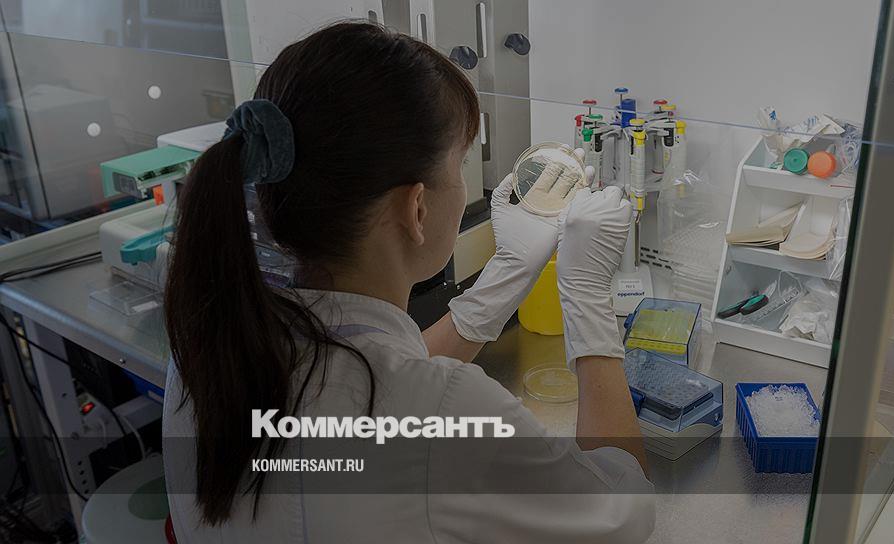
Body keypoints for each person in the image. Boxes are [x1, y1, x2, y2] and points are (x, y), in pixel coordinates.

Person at [162, 21, 654, 543]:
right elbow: (625, 514)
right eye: (460, 164)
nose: (463, 182)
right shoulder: (449, 416)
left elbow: (372, 375)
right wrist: (587, 298)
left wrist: (504, 277)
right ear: (416, 208)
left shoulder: (211, 344)